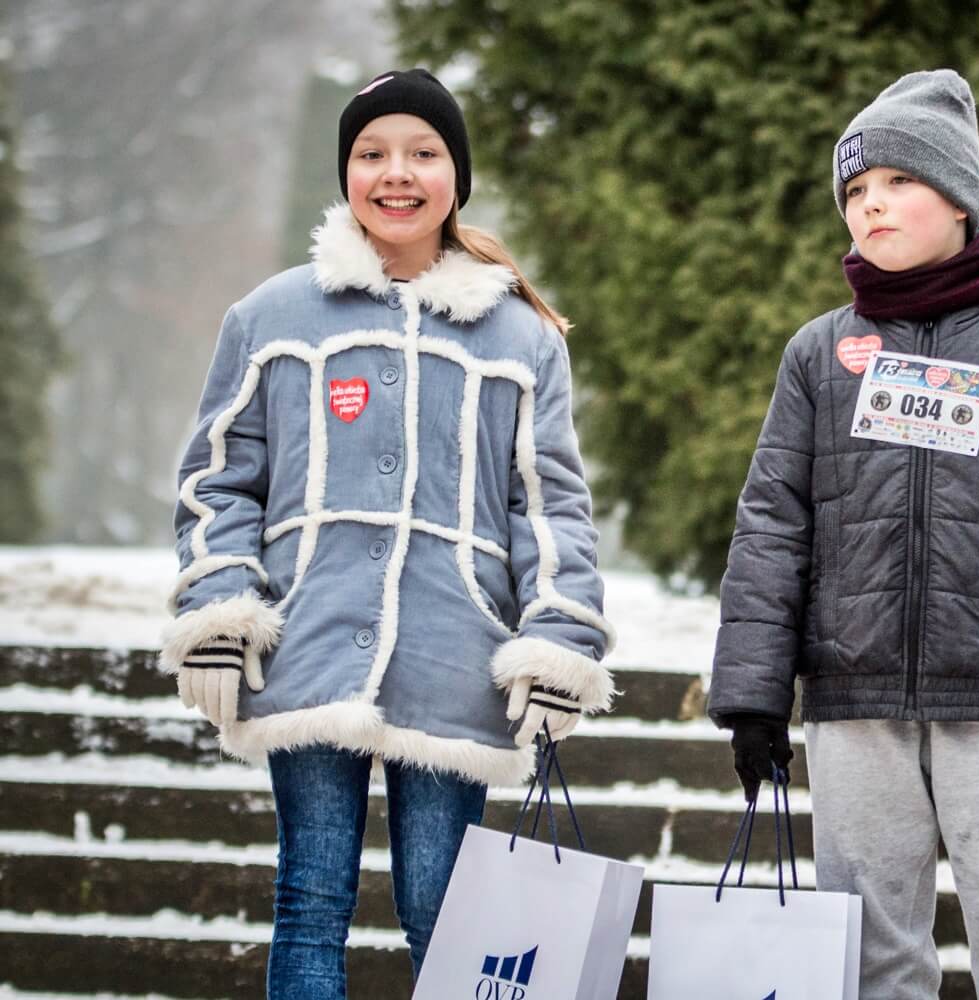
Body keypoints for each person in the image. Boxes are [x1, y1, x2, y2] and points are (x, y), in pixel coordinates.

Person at [160, 68, 615, 997]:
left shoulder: (521, 338)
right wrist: (218, 612)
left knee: (442, 910)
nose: (396, 173)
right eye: (371, 153)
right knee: (310, 898)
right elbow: (217, 478)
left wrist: (557, 639)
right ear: (346, 173)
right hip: (310, 644)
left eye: (423, 153)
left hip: (456, 655)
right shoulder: (271, 317)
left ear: (457, 177)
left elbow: (550, 505)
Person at [706, 69, 979, 999]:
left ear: (961, 197)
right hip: (854, 701)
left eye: (899, 180)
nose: (872, 203)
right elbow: (772, 522)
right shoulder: (819, 353)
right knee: (872, 949)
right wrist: (753, 695)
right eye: (855, 189)